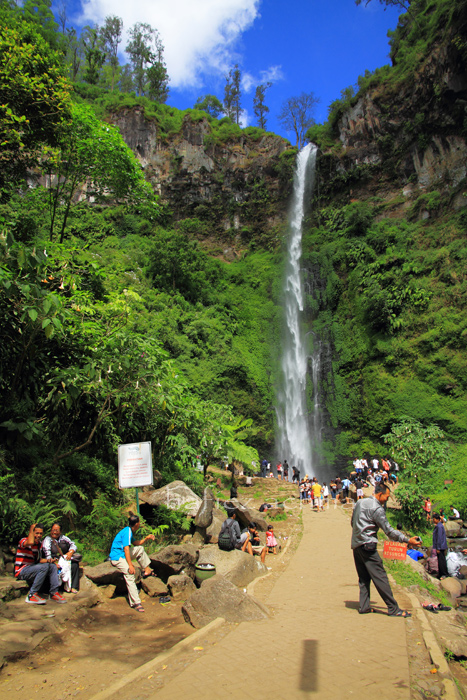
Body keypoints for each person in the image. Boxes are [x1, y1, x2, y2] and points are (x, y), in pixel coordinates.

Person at [351, 482, 420, 617]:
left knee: (363, 578)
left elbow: (352, 522)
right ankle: (393, 609)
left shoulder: (360, 503)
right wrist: (407, 540)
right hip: (368, 546)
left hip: (356, 544)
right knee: (380, 576)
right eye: (387, 497)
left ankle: (364, 606)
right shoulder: (377, 509)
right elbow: (388, 531)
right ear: (380, 494)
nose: (387, 499)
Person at [109, 514, 156, 613]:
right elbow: (126, 548)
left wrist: (146, 538)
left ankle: (147, 570)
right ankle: (136, 602)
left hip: (122, 554)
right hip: (117, 557)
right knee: (130, 574)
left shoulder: (129, 530)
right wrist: (130, 565)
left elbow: (136, 544)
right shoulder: (127, 532)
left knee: (140, 549)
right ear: (137, 524)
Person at [15, 523, 66, 605]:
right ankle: (31, 595)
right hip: (22, 571)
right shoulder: (23, 541)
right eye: (36, 533)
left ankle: (54, 593)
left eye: (40, 533)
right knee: (44, 567)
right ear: (32, 533)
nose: (38, 535)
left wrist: (50, 561)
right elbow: (30, 542)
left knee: (52, 566)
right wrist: (31, 528)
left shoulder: (38, 545)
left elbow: (38, 560)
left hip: (33, 568)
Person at [42, 522, 80, 593]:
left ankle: (74, 586)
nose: (54, 532)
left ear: (60, 531)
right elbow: (47, 553)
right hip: (52, 561)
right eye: (53, 530)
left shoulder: (64, 538)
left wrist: (70, 552)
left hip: (64, 560)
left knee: (75, 565)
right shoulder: (47, 540)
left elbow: (73, 545)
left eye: (56, 530)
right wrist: (53, 563)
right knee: (52, 568)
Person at [432, 512, 449, 579]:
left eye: (433, 519)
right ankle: (441, 573)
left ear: (437, 519)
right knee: (440, 560)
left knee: (442, 561)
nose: (433, 520)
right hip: (441, 546)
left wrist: (438, 547)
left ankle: (444, 574)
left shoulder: (439, 526)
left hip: (441, 546)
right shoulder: (439, 526)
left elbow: (439, 537)